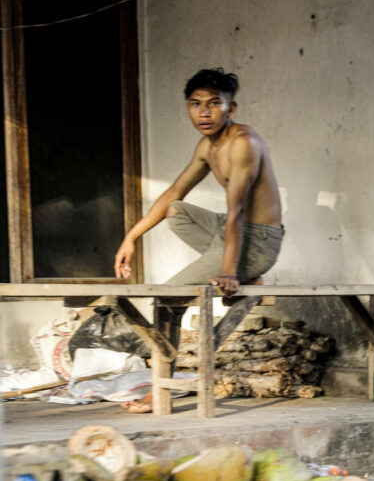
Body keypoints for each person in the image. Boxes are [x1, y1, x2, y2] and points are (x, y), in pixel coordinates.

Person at [113, 67, 283, 411]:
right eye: (195, 104)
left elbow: (236, 211)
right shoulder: (207, 146)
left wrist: (229, 272)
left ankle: (159, 390)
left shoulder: (243, 144)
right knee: (176, 210)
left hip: (258, 239)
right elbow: (174, 191)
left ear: (230, 109)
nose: (204, 112)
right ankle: (242, 268)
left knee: (167, 299)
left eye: (213, 104)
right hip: (232, 232)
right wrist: (131, 238)